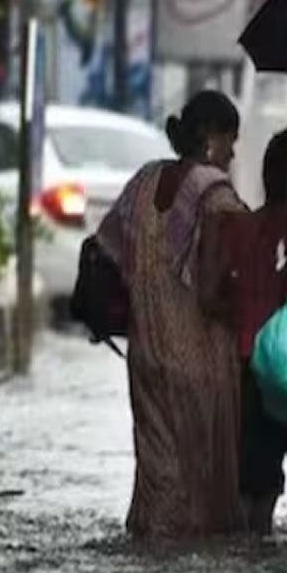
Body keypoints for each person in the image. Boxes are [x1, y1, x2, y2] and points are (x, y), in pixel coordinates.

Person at [96, 91, 247, 541]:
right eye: (230, 141)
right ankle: (186, 572)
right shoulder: (216, 194)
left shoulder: (143, 181)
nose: (233, 152)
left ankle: (147, 548)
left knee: (157, 473)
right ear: (210, 138)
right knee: (202, 484)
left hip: (146, 354)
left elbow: (108, 248)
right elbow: (216, 286)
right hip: (200, 360)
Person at [206, 129, 287, 536]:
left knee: (259, 491)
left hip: (249, 370)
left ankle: (255, 556)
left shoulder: (242, 228)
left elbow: (216, 294)